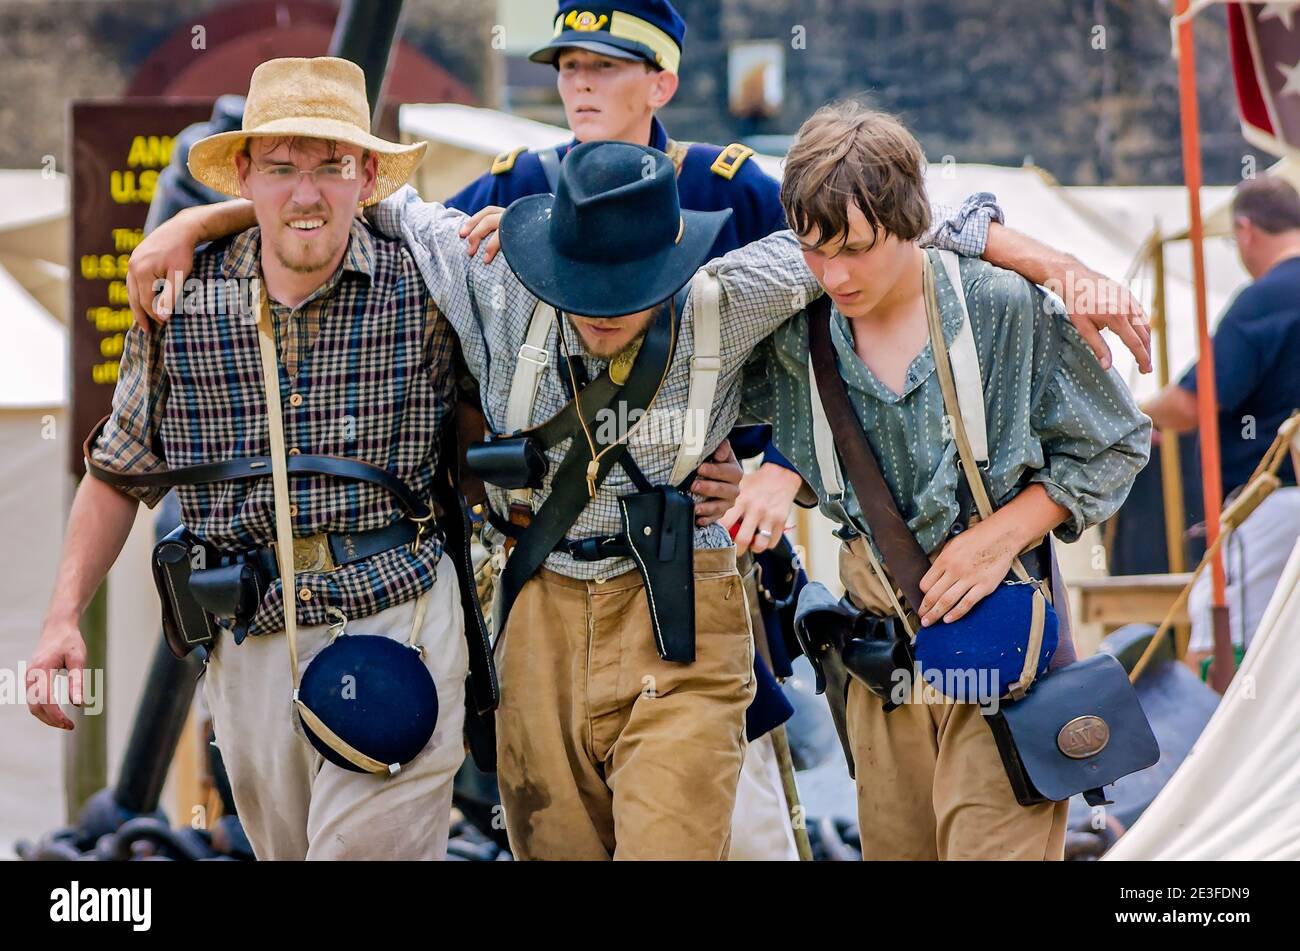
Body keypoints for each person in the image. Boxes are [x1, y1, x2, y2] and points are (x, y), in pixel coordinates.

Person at [126, 136, 1150, 860]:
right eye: (584, 286)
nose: (606, 314)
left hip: (681, 605)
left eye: (630, 289)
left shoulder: (738, 290)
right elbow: (334, 200)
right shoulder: (485, 276)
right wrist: (191, 226)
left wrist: (1057, 263)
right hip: (534, 612)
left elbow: (917, 228)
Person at [27, 57, 474, 860]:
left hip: (396, 615)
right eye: (281, 167)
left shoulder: (425, 279)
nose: (307, 193)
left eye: (332, 166)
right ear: (244, 175)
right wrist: (62, 615)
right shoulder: (181, 302)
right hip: (248, 637)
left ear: (368, 173)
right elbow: (118, 471)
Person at [446, 0, 810, 855]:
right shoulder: (516, 188)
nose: (579, 82)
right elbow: (394, 257)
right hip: (547, 571)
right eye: (568, 65)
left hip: (699, 561)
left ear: (663, 81)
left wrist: (777, 469)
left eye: (604, 65)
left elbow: (847, 299)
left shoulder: (730, 189)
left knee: (744, 831)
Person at [741, 101, 1151, 860]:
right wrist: (772, 470)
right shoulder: (792, 334)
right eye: (812, 250)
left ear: (911, 223)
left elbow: (1116, 443)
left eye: (857, 249)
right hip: (875, 661)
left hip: (998, 654)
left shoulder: (996, 306)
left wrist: (1004, 533)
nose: (834, 274)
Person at [1143, 175, 1300, 674]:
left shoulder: (1267, 298)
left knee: (1215, 651)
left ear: (1246, 230)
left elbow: (1191, 404)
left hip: (1272, 505)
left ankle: (1216, 754)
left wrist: (1136, 416)